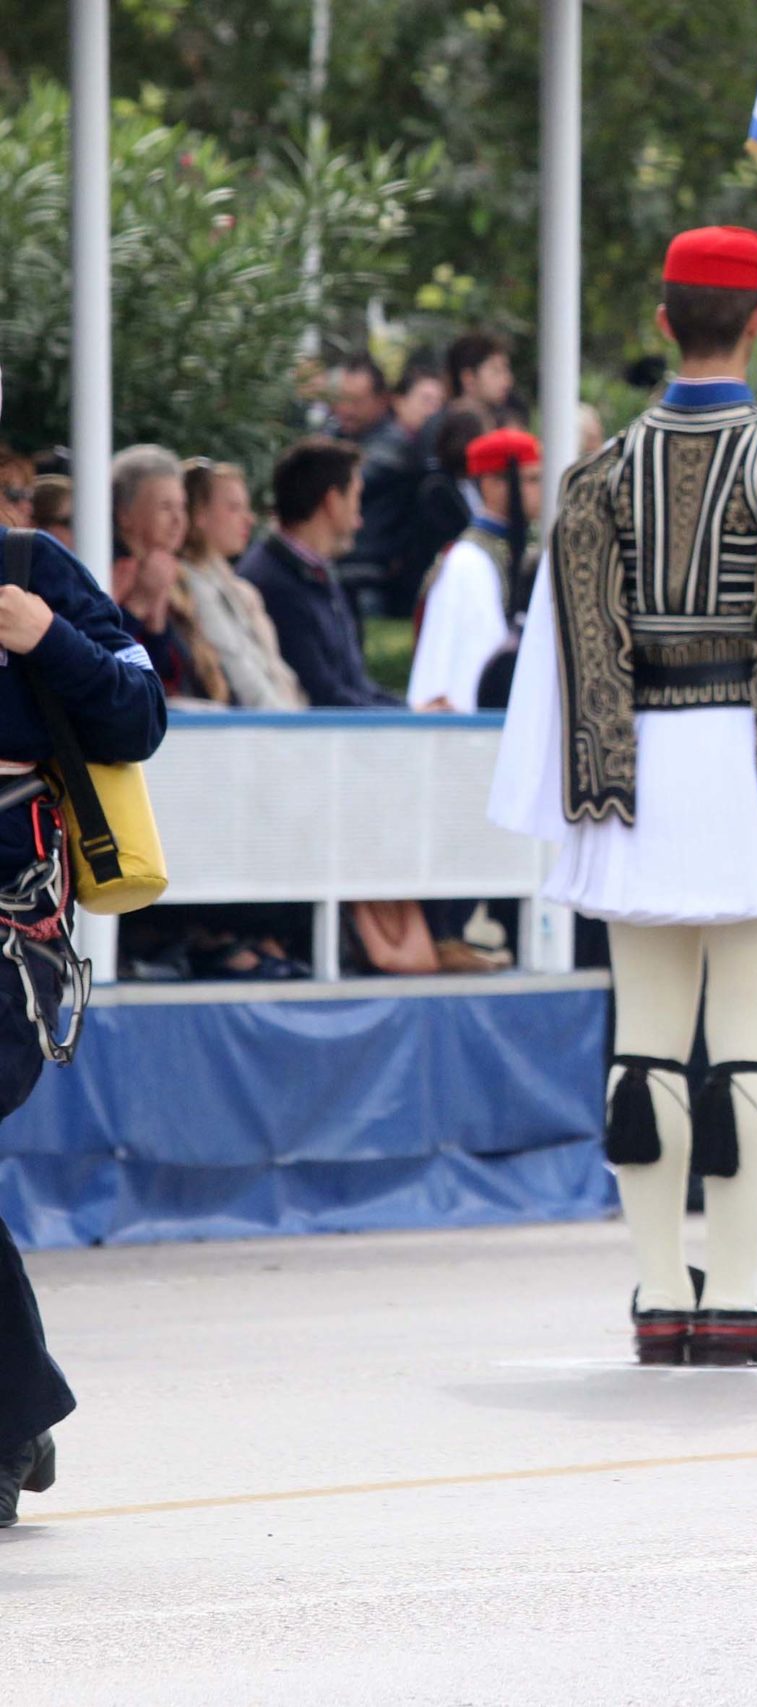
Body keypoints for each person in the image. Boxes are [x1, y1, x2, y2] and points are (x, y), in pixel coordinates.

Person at [491, 225, 757, 1368]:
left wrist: (570, 801)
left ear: (663, 321)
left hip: (630, 782)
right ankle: (730, 1291)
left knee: (643, 1048)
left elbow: (557, 664)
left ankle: (656, 1291)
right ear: (754, 321)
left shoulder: (590, 480)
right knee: (747, 1050)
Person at [0, 407, 173, 1524]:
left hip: (8, 924)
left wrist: (42, 638)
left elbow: (140, 712)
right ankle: (17, 1411)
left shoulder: (32, 568)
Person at [240, 438, 401, 708]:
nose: (359, 520)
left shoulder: (316, 572)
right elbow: (323, 696)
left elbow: (355, 685)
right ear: (333, 501)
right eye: (355, 499)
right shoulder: (273, 584)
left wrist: (413, 712)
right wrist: (405, 720)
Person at [409, 427, 539, 712]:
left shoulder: (516, 551)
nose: (539, 490)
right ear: (491, 484)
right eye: (530, 480)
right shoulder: (467, 563)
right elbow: (475, 662)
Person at [180, 459, 304, 710]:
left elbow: (277, 674)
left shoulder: (235, 588)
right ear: (199, 515)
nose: (248, 520)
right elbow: (242, 675)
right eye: (234, 508)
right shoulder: (193, 585)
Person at [109, 445, 221, 703]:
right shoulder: (108, 573)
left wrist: (157, 625)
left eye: (181, 507)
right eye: (165, 507)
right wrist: (137, 607)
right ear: (125, 515)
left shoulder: (176, 578)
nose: (178, 520)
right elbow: (104, 663)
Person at [343, 357, 448, 617]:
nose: (433, 412)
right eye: (426, 400)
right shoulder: (391, 446)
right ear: (399, 401)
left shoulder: (402, 448)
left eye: (439, 404)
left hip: (371, 567)